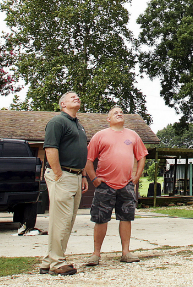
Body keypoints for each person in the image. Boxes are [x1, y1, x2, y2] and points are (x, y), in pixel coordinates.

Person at [83, 105, 148, 265]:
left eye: (121, 112)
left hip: (126, 184)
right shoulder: (100, 136)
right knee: (100, 219)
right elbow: (88, 159)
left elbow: (142, 156)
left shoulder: (133, 136)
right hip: (105, 185)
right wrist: (94, 179)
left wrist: (137, 176)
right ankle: (96, 254)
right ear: (108, 119)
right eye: (115, 113)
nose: (119, 114)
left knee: (126, 217)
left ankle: (126, 252)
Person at [38, 92, 89, 276]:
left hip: (75, 176)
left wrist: (83, 175)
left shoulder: (79, 125)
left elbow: (80, 152)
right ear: (62, 104)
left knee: (67, 220)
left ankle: (48, 261)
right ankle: (57, 263)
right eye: (72, 97)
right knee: (61, 220)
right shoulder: (57, 122)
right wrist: (59, 174)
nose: (77, 98)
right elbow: (51, 148)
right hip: (63, 176)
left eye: (78, 96)